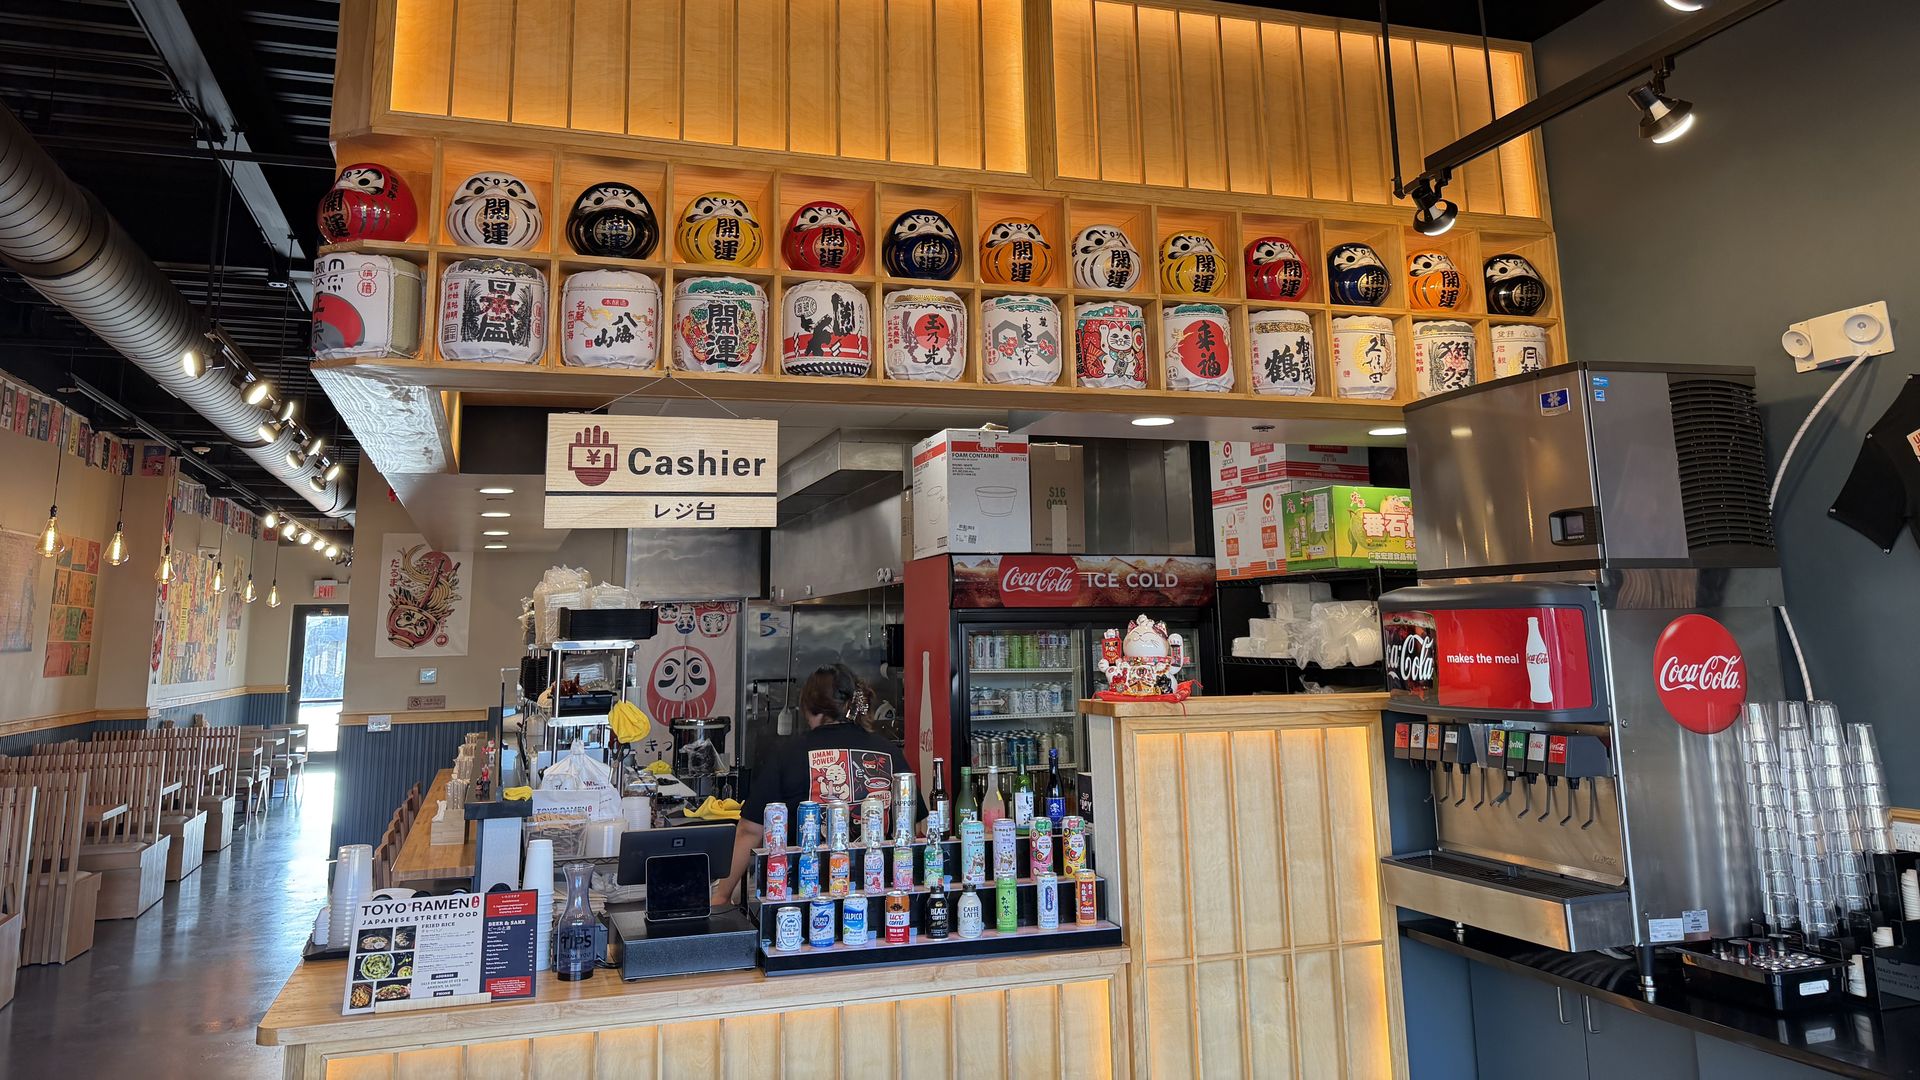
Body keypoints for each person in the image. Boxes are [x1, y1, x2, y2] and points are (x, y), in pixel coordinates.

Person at [711, 663, 914, 905]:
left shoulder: (787, 754)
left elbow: (750, 831)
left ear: (807, 707)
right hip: (884, 899)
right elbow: (915, 821)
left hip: (806, 899)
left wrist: (721, 896)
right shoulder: (889, 752)